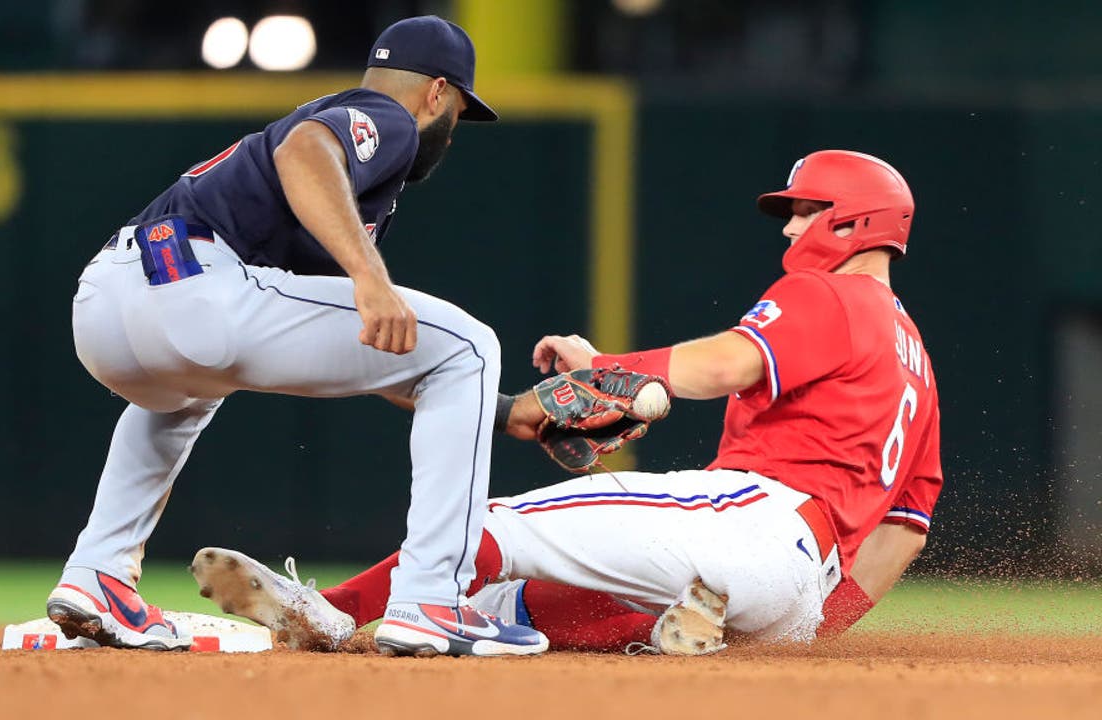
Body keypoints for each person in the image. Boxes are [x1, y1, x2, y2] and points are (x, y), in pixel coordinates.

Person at [188, 149, 943, 654]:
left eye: (806, 209)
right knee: (515, 601)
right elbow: (904, 531)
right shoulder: (919, 365)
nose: (791, 225)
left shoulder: (834, 295)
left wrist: (605, 370)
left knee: (483, 522)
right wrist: (807, 632)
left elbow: (724, 366)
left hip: (752, 521)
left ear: (855, 218)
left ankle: (329, 613)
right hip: (796, 590)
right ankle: (664, 633)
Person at [45, 15, 548, 658]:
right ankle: (430, 601)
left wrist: (504, 414)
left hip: (108, 307)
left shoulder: (346, 193)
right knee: (470, 345)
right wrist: (370, 277)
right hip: (197, 282)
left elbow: (377, 351)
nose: (452, 131)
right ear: (438, 94)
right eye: (457, 113)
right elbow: (304, 150)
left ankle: (97, 576)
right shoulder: (386, 118)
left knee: (186, 395)